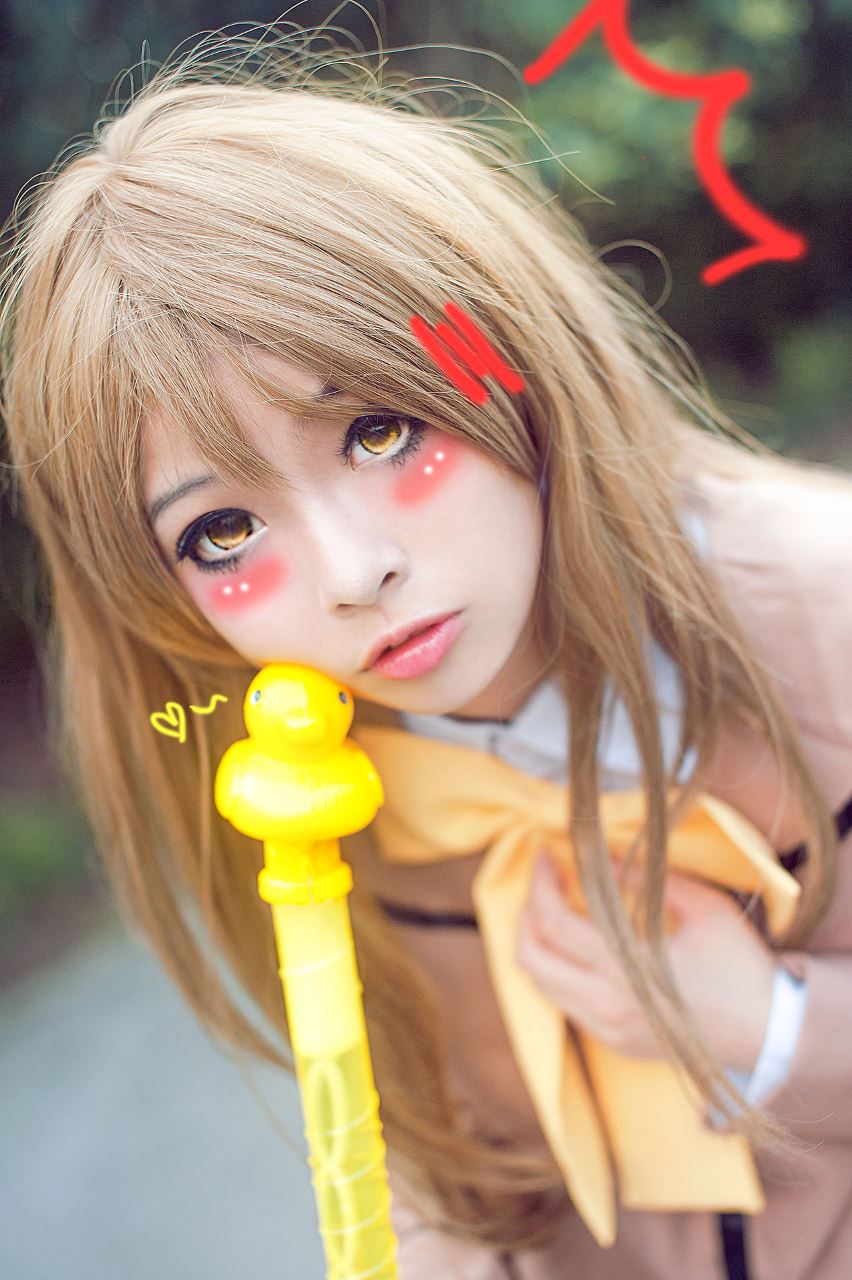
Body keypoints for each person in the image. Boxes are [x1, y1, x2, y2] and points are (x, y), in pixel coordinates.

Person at [1, 22, 850, 1280]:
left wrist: (778, 1030)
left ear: (501, 356)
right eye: (222, 530)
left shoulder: (830, 609)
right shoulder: (324, 789)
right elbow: (437, 1172)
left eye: (382, 428)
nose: (354, 573)